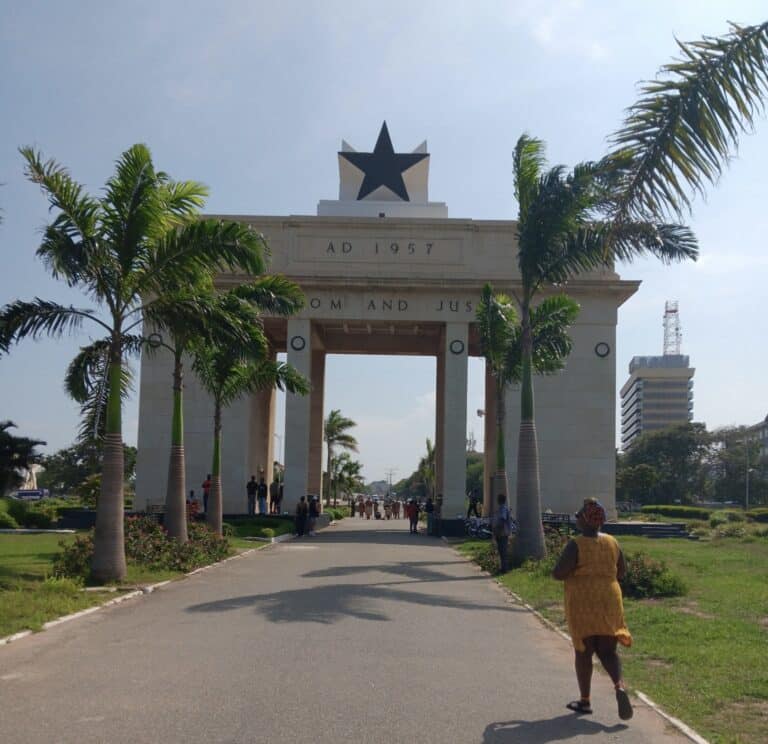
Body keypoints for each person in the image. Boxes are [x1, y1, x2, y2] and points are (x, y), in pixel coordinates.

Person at [552, 498, 633, 721]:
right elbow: (622, 572)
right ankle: (619, 686)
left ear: (585, 521)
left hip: (583, 601)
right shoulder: (612, 542)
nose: (576, 519)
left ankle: (585, 701)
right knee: (608, 652)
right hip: (610, 599)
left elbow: (558, 573)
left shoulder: (576, 544)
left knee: (584, 652)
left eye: (578, 516)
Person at [492, 493, 512, 573]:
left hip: (502, 533)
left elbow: (502, 519)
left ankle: (505, 569)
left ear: (499, 500)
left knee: (503, 551)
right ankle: (503, 568)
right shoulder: (502, 508)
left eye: (498, 499)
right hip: (502, 532)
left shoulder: (503, 508)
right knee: (501, 551)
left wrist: (497, 529)